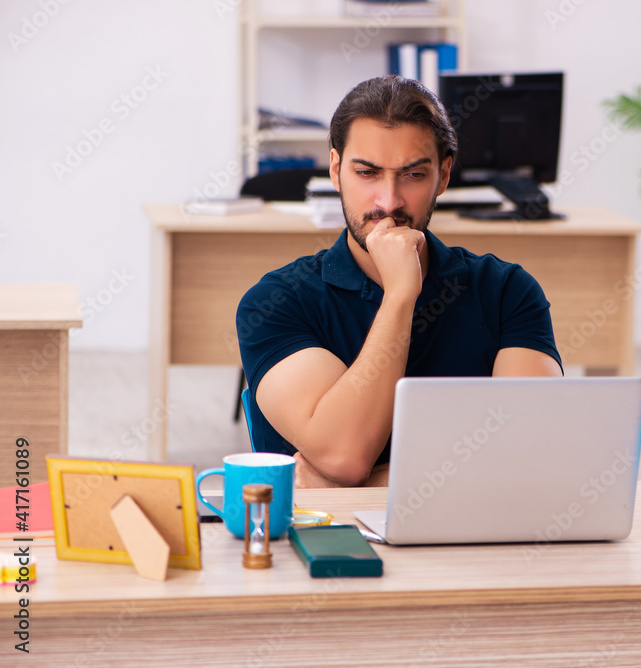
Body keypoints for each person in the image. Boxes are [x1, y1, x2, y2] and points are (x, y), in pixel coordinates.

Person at [236, 75, 563, 488]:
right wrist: (401, 295)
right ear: (336, 171)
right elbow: (346, 453)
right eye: (367, 173)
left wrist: (370, 484)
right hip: (324, 540)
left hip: (469, 541)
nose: (388, 201)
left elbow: (532, 458)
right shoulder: (275, 302)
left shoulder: (507, 292)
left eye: (412, 175)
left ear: (443, 176)